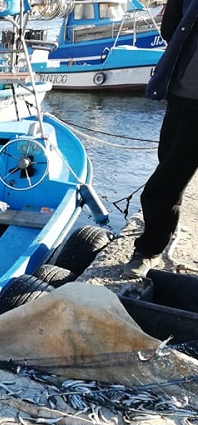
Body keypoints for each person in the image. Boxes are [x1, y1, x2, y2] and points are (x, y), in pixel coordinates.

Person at [124, 0, 198, 278]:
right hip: (189, 95)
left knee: (168, 176)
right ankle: (150, 248)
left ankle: (149, 249)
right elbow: (173, 27)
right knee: (168, 178)